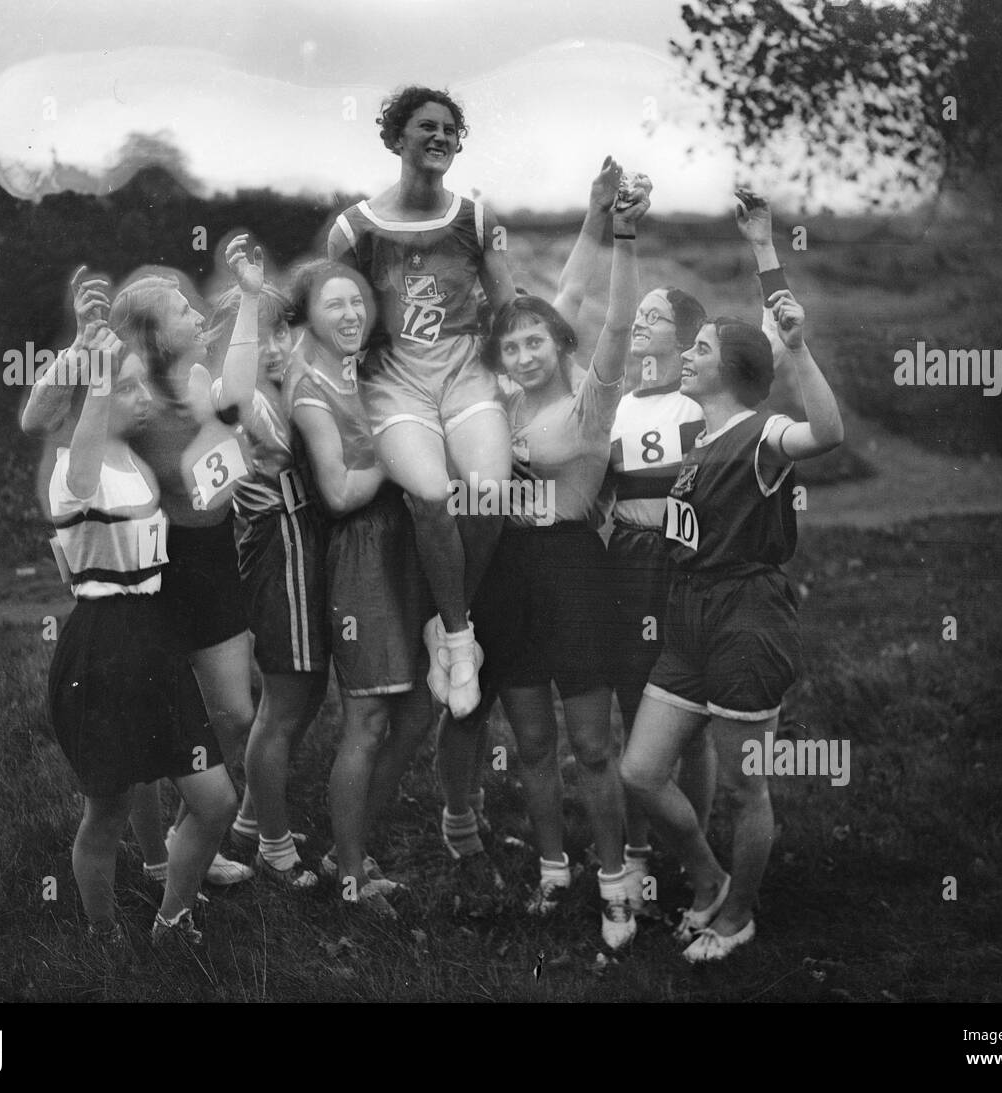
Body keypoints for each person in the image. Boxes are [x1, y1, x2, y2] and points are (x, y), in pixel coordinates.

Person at [619, 277, 844, 963]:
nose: (687, 353)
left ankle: (738, 915)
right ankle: (710, 873)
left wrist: (798, 351)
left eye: (702, 348)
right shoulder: (702, 433)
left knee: (749, 784)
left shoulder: (761, 433)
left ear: (731, 370)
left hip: (747, 620)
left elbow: (829, 433)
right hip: (688, 616)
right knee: (641, 771)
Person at [24, 268, 256, 887]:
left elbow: (227, 451)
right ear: (152, 335)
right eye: (182, 310)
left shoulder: (199, 378)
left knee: (234, 714)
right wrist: (79, 349)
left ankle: (192, 830)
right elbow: (38, 419)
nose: (197, 315)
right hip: (150, 569)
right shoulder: (126, 388)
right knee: (146, 722)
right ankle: (159, 860)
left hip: (211, 559)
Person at [467, 164, 646, 949]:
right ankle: (552, 868)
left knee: (593, 744)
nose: (524, 347)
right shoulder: (506, 399)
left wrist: (626, 234)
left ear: (558, 344)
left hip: (574, 569)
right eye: (513, 342)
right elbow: (564, 290)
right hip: (509, 573)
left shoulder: (588, 400)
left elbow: (609, 318)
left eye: (536, 338)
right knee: (532, 742)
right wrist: (592, 213)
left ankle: (616, 882)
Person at [607, 188, 794, 913]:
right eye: (640, 317)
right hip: (638, 566)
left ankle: (715, 864)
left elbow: (776, 334)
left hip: (699, 574)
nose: (643, 326)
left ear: (688, 345)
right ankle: (650, 848)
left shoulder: (706, 402)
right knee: (647, 708)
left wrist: (763, 248)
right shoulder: (622, 401)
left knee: (702, 728)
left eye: (658, 318)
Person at [45, 322, 236, 947]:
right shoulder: (78, 468)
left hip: (155, 638)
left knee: (215, 801)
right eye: (126, 390)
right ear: (91, 404)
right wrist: (95, 379)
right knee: (108, 810)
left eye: (135, 385)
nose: (141, 397)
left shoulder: (133, 459)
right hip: (103, 645)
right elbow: (71, 475)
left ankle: (172, 919)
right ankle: (102, 936)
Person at [328, 86, 514, 719]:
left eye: (451, 130)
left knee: (489, 492)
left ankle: (444, 622)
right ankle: (460, 639)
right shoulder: (354, 230)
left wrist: (517, 377)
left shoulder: (479, 220)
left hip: (465, 374)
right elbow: (333, 319)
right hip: (394, 380)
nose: (440, 138)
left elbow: (510, 312)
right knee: (432, 496)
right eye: (426, 127)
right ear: (395, 138)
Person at [288, 258, 436, 917]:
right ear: (309, 318)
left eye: (356, 303)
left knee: (419, 707)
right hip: (362, 553)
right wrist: (397, 442)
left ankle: (346, 849)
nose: (349, 314)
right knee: (369, 718)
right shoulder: (311, 390)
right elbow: (341, 490)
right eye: (332, 305)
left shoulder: (370, 370)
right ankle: (349, 876)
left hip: (411, 544)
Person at [208, 236, 329, 887]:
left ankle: (256, 819)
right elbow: (231, 391)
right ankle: (275, 851)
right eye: (262, 333)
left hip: (297, 536)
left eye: (286, 329)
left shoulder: (281, 387)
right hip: (279, 538)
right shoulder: (243, 398)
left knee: (303, 692)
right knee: (284, 700)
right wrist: (252, 298)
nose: (278, 344)